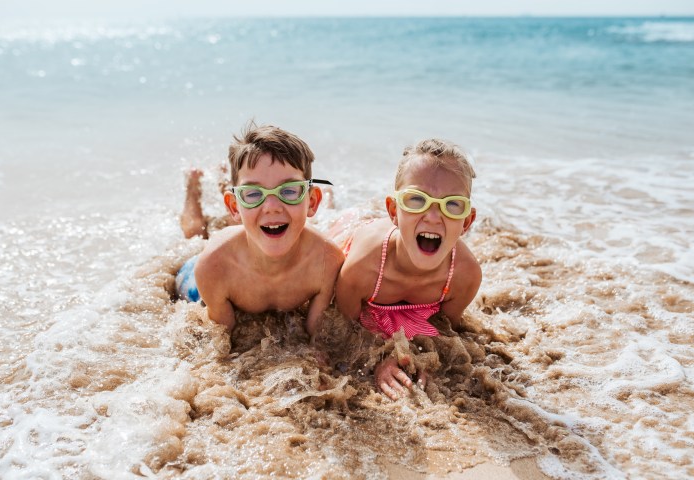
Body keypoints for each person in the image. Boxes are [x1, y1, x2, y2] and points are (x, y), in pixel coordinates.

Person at [334, 138, 482, 400]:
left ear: (467, 222)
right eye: (416, 200)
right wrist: (379, 359)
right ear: (393, 210)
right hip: (354, 233)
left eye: (452, 205)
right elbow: (342, 330)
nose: (434, 216)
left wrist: (420, 359)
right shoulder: (362, 267)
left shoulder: (464, 276)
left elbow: (443, 331)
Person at [176, 122, 345, 341]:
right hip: (206, 269)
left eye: (290, 190)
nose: (272, 205)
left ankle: (237, 186)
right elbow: (223, 344)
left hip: (248, 233)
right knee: (195, 233)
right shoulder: (213, 265)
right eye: (254, 193)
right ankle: (193, 186)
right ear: (234, 206)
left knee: (255, 219)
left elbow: (317, 340)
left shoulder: (327, 262)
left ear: (312, 202)